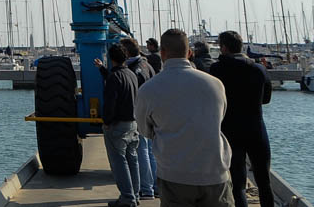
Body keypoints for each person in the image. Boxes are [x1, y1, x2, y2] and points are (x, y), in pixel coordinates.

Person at [134, 28, 234, 207]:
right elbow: (219, 119)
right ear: (189, 53)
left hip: (174, 174)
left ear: (162, 52)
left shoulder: (148, 90)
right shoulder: (215, 84)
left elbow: (144, 130)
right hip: (214, 172)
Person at [207, 31, 274, 207]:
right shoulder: (259, 69)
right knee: (264, 181)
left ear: (224, 48)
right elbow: (266, 99)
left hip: (230, 129)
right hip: (256, 128)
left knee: (238, 185)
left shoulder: (217, 69)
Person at [96, 42, 140, 206]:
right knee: (132, 160)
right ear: (125, 57)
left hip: (118, 126)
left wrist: (106, 121)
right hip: (133, 124)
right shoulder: (131, 74)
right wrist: (102, 69)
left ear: (110, 58)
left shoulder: (114, 78)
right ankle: (135, 195)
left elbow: (110, 103)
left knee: (119, 163)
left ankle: (127, 198)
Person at [122, 37, 158, 201]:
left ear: (126, 52)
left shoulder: (133, 70)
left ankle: (146, 188)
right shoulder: (147, 65)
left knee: (141, 151)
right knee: (150, 151)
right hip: (151, 113)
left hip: (139, 115)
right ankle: (155, 186)